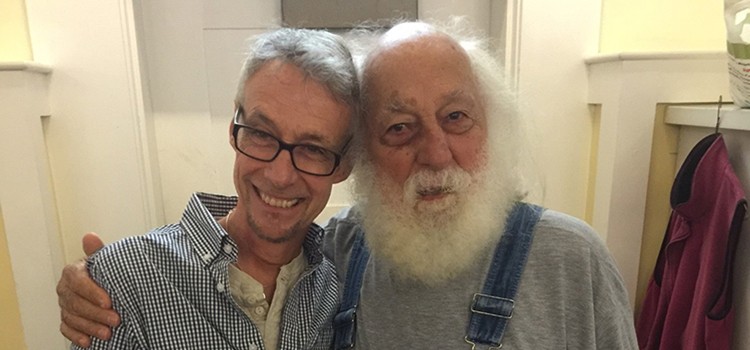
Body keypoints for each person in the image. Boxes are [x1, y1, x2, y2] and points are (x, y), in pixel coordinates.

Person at [58, 21, 638, 349]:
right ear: (362, 158)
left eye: (456, 117)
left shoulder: (572, 262)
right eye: (399, 127)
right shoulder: (343, 254)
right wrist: (88, 282)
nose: (435, 153)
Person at [58, 27, 359, 349]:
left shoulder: (341, 284)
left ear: (343, 165)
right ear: (234, 130)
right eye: (261, 134)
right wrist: (101, 270)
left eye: (313, 149)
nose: (280, 175)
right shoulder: (124, 282)